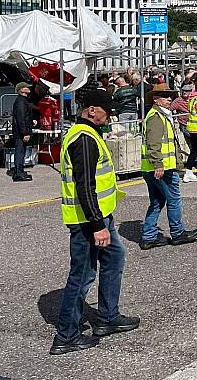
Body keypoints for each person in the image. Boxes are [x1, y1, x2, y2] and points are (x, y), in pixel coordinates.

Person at [51, 90, 138, 355]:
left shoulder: (88, 135)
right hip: (87, 220)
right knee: (82, 275)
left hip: (99, 216)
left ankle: (108, 317)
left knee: (114, 258)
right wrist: (97, 225)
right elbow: (85, 185)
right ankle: (66, 335)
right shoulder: (84, 139)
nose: (109, 115)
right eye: (106, 111)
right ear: (91, 110)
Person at [139, 89, 197, 250]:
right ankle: (178, 233)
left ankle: (149, 237)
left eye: (170, 97)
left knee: (157, 202)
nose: (169, 99)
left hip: (152, 168)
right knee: (173, 200)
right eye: (165, 97)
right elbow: (154, 144)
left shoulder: (159, 115)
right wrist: (158, 164)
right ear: (155, 100)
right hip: (163, 168)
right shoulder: (156, 117)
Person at [10, 82, 34, 182]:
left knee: (21, 151)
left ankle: (19, 172)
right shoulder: (21, 101)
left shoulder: (23, 100)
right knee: (19, 152)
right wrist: (25, 133)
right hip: (20, 132)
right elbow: (20, 118)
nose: (28, 88)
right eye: (26, 87)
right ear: (21, 90)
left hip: (20, 130)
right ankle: (18, 174)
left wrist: (31, 121)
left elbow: (24, 116)